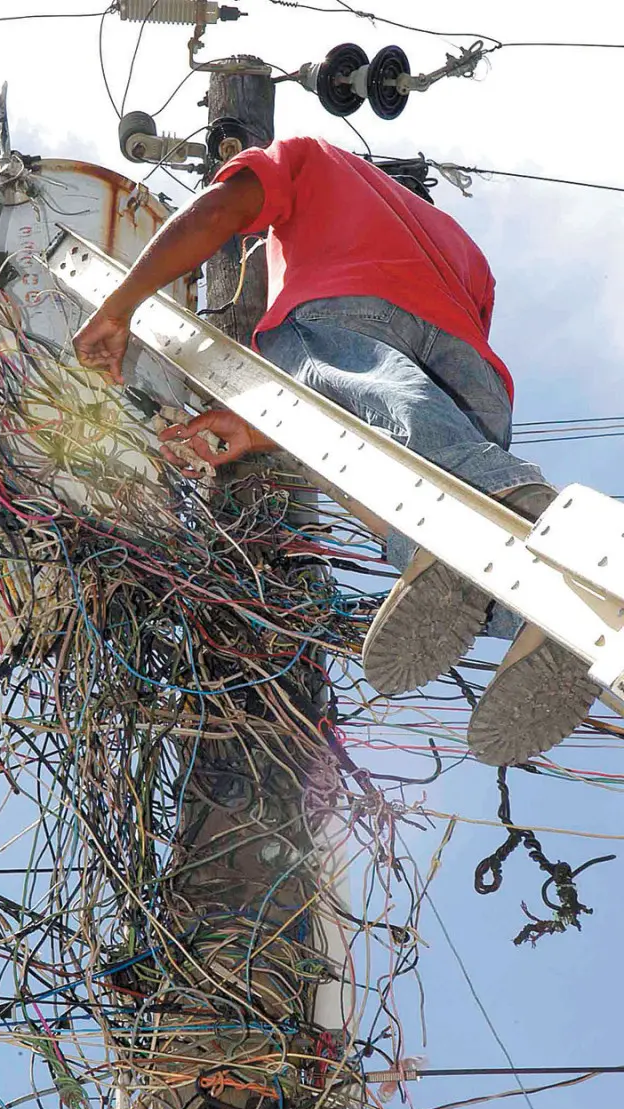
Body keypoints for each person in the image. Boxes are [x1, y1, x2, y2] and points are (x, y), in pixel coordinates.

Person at [73, 136, 599, 765]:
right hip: (474, 375)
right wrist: (261, 429)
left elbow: (216, 213)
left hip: (344, 310)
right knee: (419, 496)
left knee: (417, 481)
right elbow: (402, 397)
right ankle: (556, 621)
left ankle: (520, 508)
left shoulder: (308, 157)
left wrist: (119, 307)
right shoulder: (456, 241)